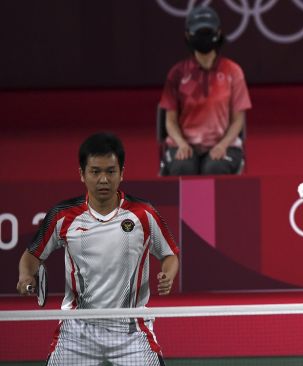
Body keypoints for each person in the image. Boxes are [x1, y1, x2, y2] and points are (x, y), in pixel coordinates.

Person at [16, 132, 180, 365]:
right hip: (78, 329)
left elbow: (170, 254)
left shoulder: (144, 213)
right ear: (82, 174)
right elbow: (32, 255)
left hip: (130, 329)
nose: (103, 179)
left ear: (122, 173)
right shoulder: (63, 215)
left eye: (110, 171)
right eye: (95, 171)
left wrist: (169, 274)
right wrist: (25, 275)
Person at [159, 5, 252, 176]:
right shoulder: (177, 74)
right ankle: (189, 204)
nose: (204, 37)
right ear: (188, 35)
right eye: (199, 32)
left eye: (207, 32)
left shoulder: (233, 71)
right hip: (184, 144)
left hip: (224, 144)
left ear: (218, 33)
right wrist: (181, 143)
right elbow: (170, 121)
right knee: (183, 168)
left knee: (214, 169)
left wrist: (222, 145)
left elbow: (238, 120)